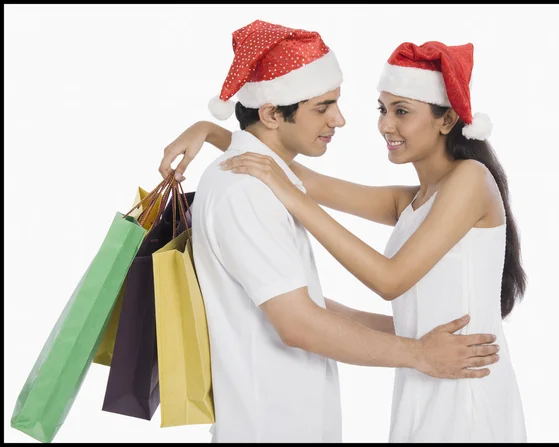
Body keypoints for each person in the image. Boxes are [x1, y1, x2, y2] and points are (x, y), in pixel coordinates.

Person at [163, 21, 499, 443]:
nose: (380, 125)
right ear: (271, 113)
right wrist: (212, 132)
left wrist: (286, 190)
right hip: (422, 377)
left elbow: (386, 278)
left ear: (447, 119)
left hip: (458, 377)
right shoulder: (249, 188)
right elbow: (303, 186)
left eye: (402, 111)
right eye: (384, 109)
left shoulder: (468, 180)